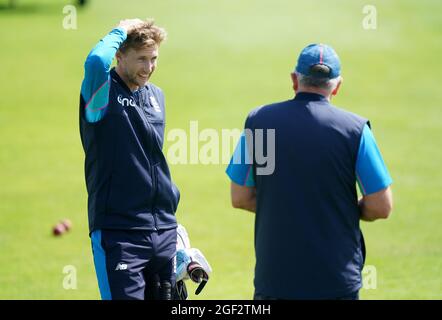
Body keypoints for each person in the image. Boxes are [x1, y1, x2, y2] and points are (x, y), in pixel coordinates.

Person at [226, 44, 393, 300]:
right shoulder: (356, 130)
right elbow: (381, 207)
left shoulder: (259, 122)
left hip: (276, 279)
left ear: (295, 80)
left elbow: (240, 198)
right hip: (336, 279)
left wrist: (286, 206)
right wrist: (340, 210)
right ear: (336, 86)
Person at [79, 19, 180, 300]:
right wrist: (120, 30)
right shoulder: (102, 94)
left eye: (154, 59)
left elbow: (152, 161)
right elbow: (96, 61)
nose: (149, 68)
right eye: (141, 60)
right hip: (119, 232)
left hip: (162, 231)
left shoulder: (156, 96)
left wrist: (173, 222)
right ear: (120, 56)